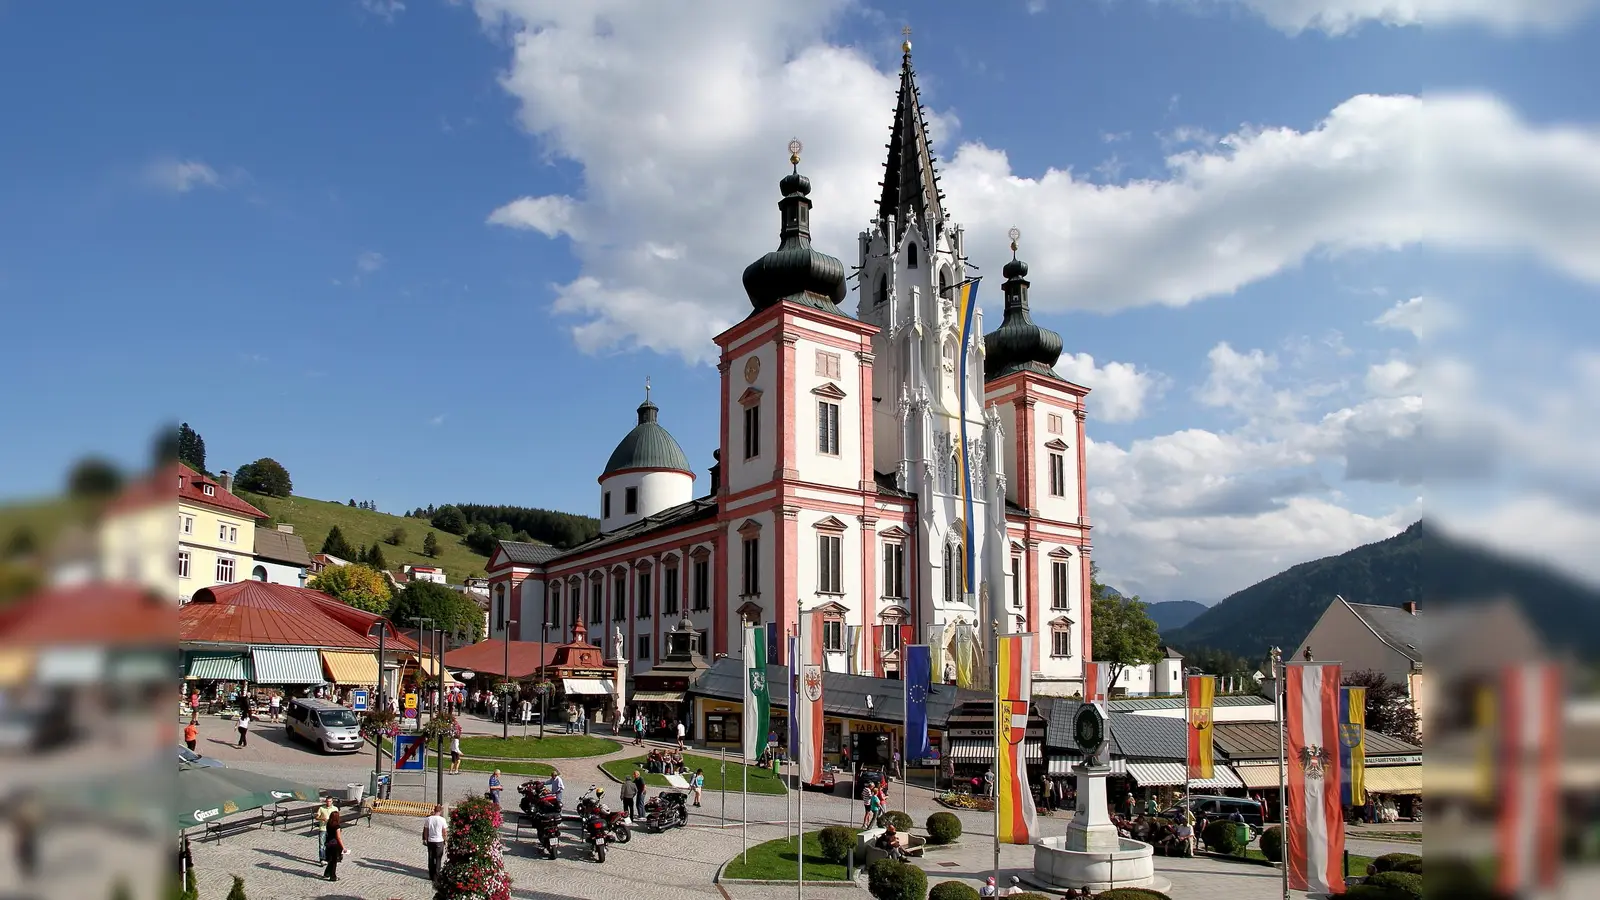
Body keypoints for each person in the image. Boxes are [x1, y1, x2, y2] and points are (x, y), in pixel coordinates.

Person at [423, 804, 447, 883]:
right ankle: (436, 876)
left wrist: (425, 839)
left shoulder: (429, 819)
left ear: (434, 810)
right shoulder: (442, 820)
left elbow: (426, 830)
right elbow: (444, 831)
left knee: (430, 857)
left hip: (431, 840)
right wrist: (445, 839)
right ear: (440, 811)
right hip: (439, 840)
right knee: (438, 858)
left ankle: (431, 874)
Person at [323, 810, 344, 881]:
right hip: (334, 844)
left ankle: (327, 873)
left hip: (328, 843)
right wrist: (343, 847)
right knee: (334, 861)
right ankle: (333, 876)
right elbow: (338, 837)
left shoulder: (328, 823)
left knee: (331, 860)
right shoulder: (337, 826)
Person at [313, 797, 337, 862]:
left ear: (332, 802)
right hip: (323, 828)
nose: (328, 803)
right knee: (321, 845)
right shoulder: (321, 808)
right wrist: (322, 819)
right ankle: (322, 859)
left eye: (329, 801)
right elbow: (316, 817)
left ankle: (328, 857)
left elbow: (337, 818)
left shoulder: (335, 809)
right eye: (327, 801)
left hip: (331, 829)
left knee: (329, 844)